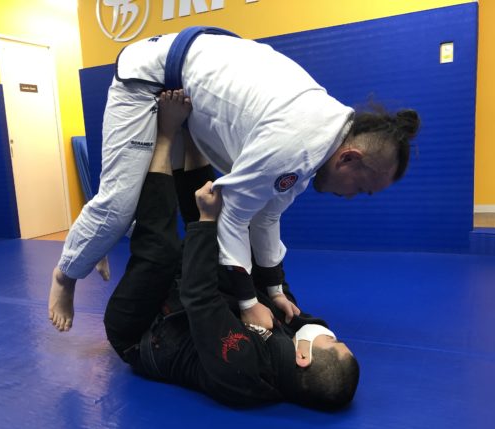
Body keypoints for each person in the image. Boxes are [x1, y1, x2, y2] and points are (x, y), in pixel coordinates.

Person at [48, 28, 420, 332]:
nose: (353, 196)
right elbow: (232, 216)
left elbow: (267, 215)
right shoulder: (298, 144)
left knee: (136, 199)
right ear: (349, 158)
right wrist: (248, 302)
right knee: (118, 206)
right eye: (361, 189)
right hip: (147, 76)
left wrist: (273, 289)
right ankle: (66, 274)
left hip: (191, 80)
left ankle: (97, 237)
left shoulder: (325, 136)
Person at [103, 90, 359, 409]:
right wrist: (274, 288)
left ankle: (166, 136)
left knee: (162, 253)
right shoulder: (291, 355)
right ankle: (192, 138)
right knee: (235, 251)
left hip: (140, 329)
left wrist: (206, 221)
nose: (330, 333)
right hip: (179, 308)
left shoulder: (241, 366)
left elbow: (199, 297)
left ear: (303, 357)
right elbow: (277, 294)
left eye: (333, 341)